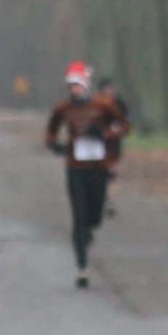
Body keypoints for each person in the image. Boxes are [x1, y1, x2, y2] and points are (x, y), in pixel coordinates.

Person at [45, 61, 126, 288]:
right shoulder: (63, 108)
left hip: (98, 169)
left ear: (86, 85)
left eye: (78, 85)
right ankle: (82, 267)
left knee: (95, 216)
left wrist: (104, 133)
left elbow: (124, 125)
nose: (74, 90)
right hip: (75, 169)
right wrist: (55, 146)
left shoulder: (103, 105)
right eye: (70, 86)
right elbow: (50, 131)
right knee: (78, 217)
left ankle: (89, 231)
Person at [93, 78, 132, 218]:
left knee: (112, 172)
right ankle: (99, 198)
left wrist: (121, 128)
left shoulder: (119, 103)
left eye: (111, 88)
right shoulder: (94, 103)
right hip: (98, 143)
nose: (109, 91)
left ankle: (110, 201)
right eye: (106, 89)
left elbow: (127, 120)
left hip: (114, 142)